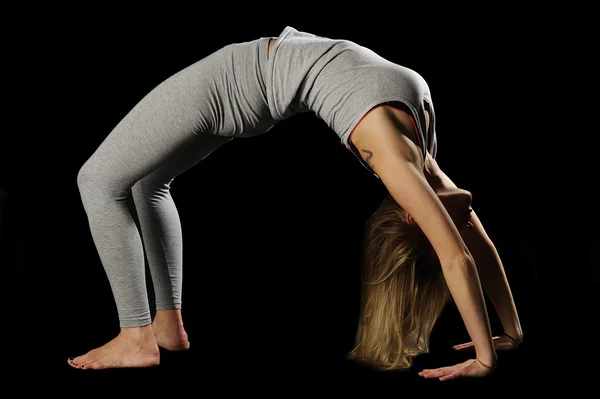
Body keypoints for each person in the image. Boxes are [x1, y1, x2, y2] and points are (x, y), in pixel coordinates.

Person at [68, 26, 523, 380]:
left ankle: (134, 335)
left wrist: (483, 361)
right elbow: (475, 248)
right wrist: (510, 333)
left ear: (412, 211)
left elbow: (456, 259)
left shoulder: (394, 156)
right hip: (250, 86)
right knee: (149, 183)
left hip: (233, 82)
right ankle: (168, 329)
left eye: (447, 219)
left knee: (97, 180)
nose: (467, 215)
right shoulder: (426, 160)